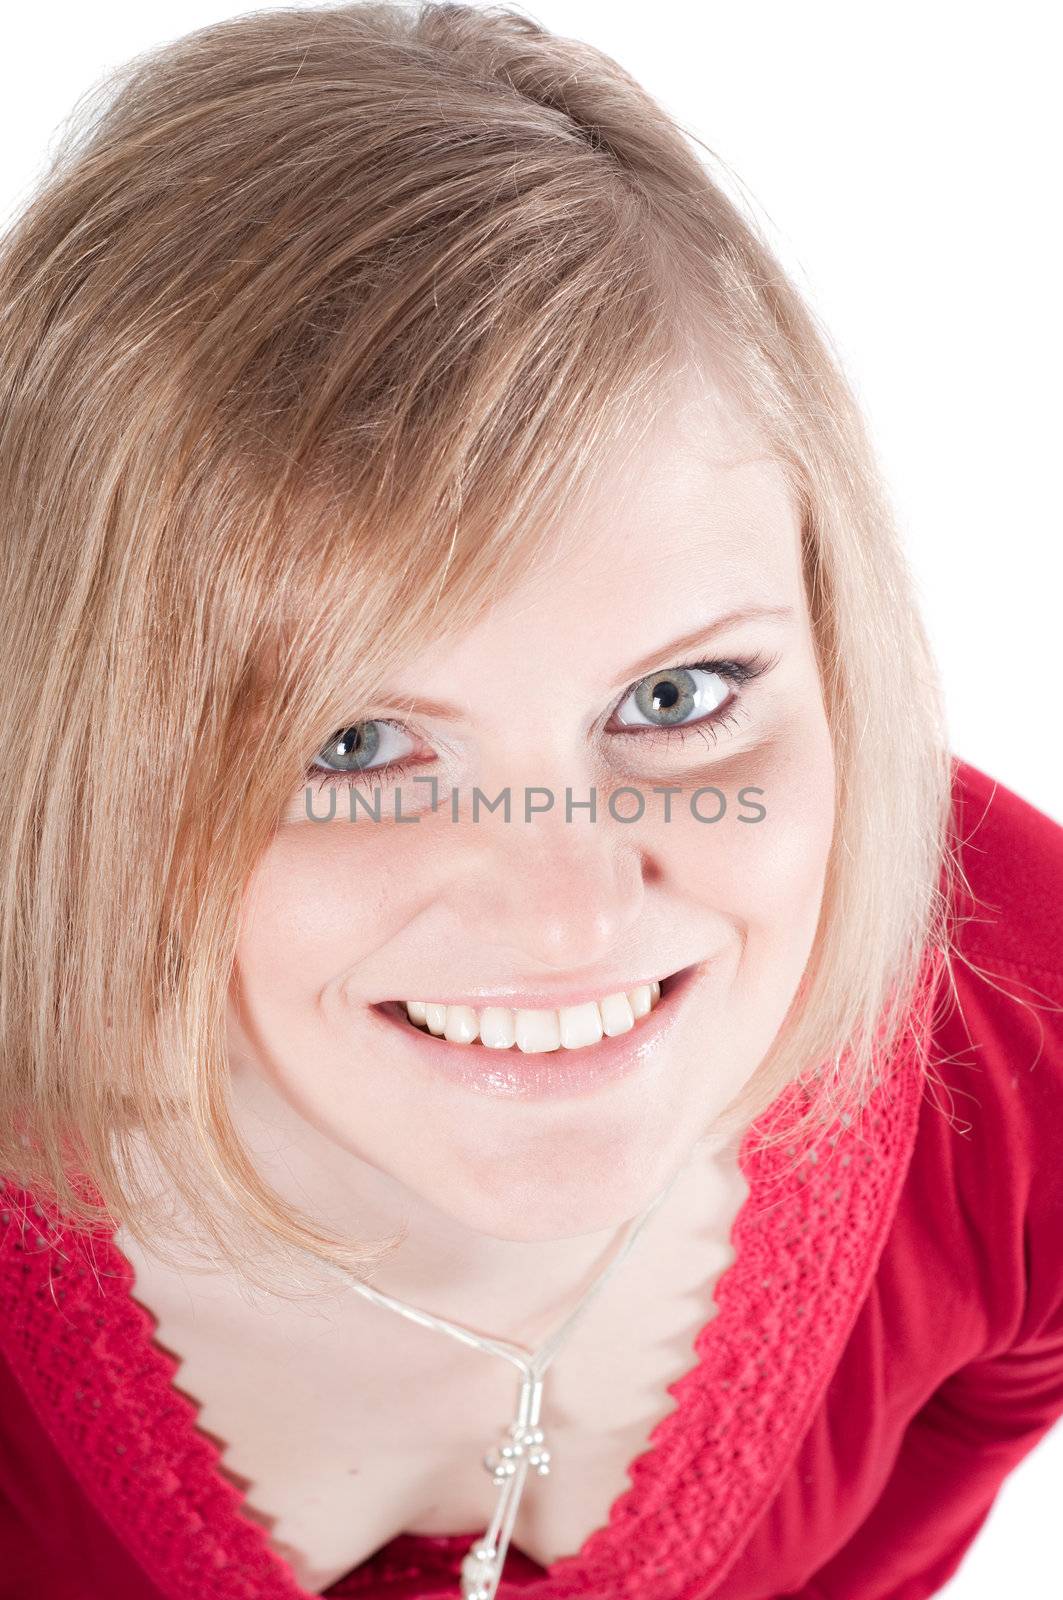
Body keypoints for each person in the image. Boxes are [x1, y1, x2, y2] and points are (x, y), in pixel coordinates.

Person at [1, 5, 1061, 1599]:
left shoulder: (1024, 1019)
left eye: (676, 699)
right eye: (349, 744)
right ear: (82, 742)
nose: (570, 915)